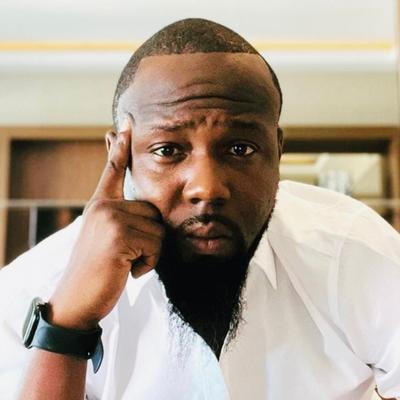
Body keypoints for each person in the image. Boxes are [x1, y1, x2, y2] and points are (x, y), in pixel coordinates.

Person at [0, 18, 399, 400]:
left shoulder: (354, 253)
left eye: (240, 149)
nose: (207, 188)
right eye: (167, 150)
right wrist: (67, 325)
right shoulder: (32, 287)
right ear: (120, 154)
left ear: (277, 151)